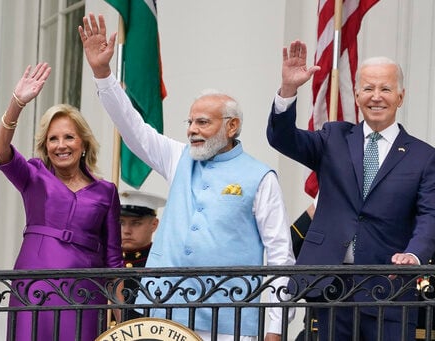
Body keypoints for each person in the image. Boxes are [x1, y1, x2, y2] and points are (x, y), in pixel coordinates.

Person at [79, 13, 295, 341]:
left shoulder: (260, 176)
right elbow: (132, 127)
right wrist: (102, 74)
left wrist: (275, 328)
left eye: (203, 122)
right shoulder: (178, 157)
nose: (192, 129)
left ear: (232, 126)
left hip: (228, 323)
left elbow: (280, 254)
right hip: (161, 315)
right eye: (190, 122)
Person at [266, 40, 435, 341]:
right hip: (330, 285)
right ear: (358, 95)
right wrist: (288, 91)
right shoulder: (333, 137)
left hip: (389, 286)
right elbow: (282, 138)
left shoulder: (423, 156)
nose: (377, 97)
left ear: (400, 97)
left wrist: (414, 255)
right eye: (369, 89)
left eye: (386, 89)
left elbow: (431, 215)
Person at [0, 63, 123, 341]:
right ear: (46, 146)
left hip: (85, 292)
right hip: (34, 286)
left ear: (83, 143)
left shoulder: (105, 192)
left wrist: (127, 323)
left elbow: (114, 262)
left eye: (68, 137)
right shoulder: (33, 175)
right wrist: (16, 104)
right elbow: (1, 151)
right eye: (53, 139)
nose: (60, 145)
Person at [118, 190, 166, 321]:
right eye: (120, 223)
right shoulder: (103, 261)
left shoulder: (163, 262)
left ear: (154, 224)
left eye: (136, 223)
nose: (126, 231)